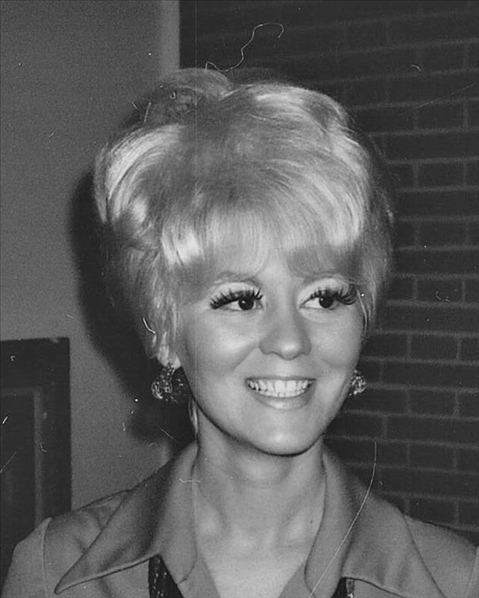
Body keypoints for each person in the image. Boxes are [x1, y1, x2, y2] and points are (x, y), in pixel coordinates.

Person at [3, 68, 478, 598]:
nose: (291, 340)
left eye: (324, 297)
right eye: (242, 300)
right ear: (164, 331)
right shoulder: (55, 573)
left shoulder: (454, 582)